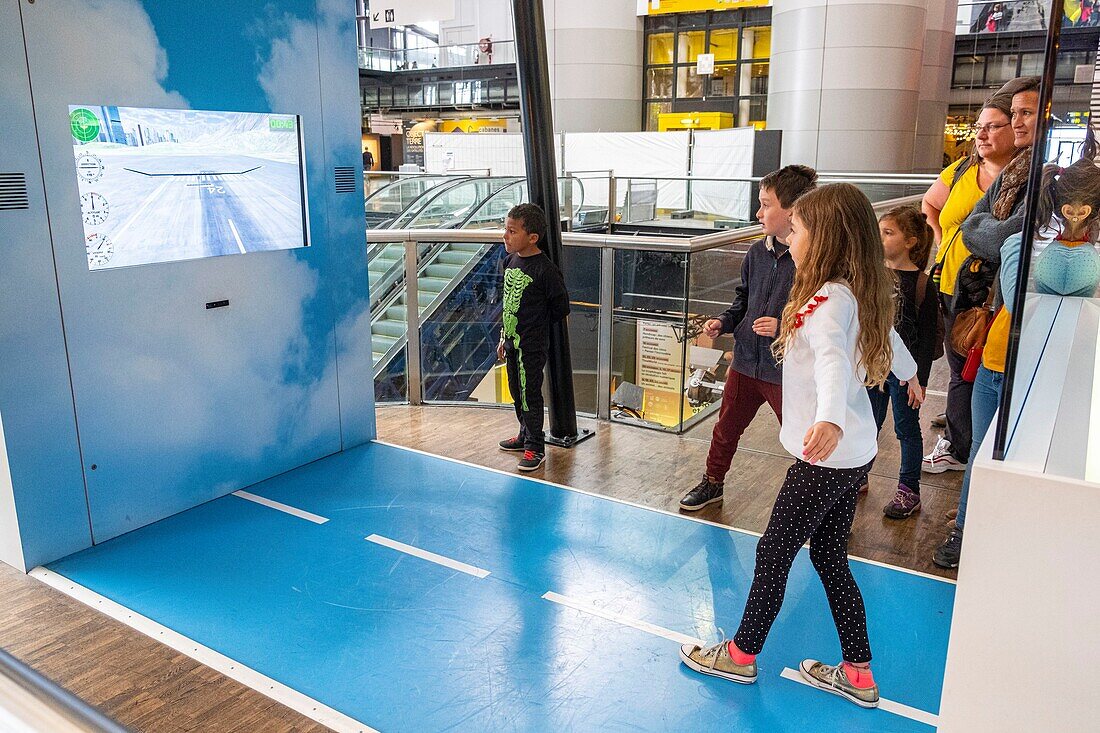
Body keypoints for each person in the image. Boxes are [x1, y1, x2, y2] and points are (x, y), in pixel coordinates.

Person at [679, 184, 919, 709]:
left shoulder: (831, 299)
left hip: (825, 456)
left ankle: (741, 655)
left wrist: (829, 418)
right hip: (854, 455)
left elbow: (833, 359)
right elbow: (888, 339)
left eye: (800, 228)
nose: (791, 233)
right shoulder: (854, 290)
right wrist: (911, 374)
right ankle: (857, 673)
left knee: (773, 550)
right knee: (830, 555)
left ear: (825, 237)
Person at [934, 76, 1040, 569]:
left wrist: (983, 231)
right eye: (1010, 114)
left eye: (1024, 114)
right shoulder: (1005, 173)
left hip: (1017, 328)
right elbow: (976, 225)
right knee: (978, 430)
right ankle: (965, 526)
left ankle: (978, 531)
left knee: (998, 440)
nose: (1017, 123)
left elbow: (996, 237)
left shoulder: (1046, 178)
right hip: (980, 309)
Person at [679, 165, 818, 511]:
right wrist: (724, 323)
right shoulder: (756, 252)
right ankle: (713, 483)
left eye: (766, 204)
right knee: (725, 429)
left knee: (803, 439)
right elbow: (743, 301)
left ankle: (815, 499)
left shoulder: (812, 260)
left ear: (793, 210)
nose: (758, 213)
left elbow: (821, 318)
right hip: (745, 362)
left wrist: (784, 328)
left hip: (785, 369)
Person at [921, 92, 1017, 472]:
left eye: (994, 126)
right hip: (949, 283)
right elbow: (930, 205)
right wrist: (940, 240)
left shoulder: (1022, 180)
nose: (982, 135)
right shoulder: (960, 170)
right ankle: (963, 435)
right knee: (960, 363)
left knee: (969, 368)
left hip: (988, 292)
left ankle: (962, 448)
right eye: (980, 127)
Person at [869, 206, 938, 518]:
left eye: (888, 232)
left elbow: (926, 338)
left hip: (903, 376)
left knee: (907, 430)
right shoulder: (871, 276)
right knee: (867, 424)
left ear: (910, 242)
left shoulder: (923, 285)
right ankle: (857, 474)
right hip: (871, 369)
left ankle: (909, 489)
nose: (881, 238)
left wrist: (918, 380)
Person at [496, 204, 570, 472]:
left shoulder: (545, 270)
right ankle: (525, 434)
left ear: (532, 237)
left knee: (530, 395)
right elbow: (507, 305)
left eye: (512, 231)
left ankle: (536, 446)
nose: (505, 236)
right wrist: (504, 337)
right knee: (516, 391)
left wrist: (535, 328)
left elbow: (561, 307)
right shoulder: (509, 261)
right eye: (505, 229)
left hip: (531, 346)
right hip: (513, 343)